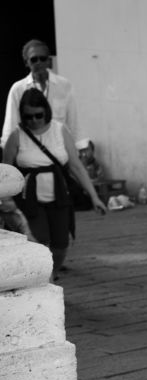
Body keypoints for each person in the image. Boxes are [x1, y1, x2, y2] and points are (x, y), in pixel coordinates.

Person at [2, 88, 106, 279]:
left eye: (38, 115)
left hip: (58, 195)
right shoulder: (16, 136)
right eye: (28, 116)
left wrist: (94, 197)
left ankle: (53, 272)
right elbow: (5, 171)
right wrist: (6, 201)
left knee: (61, 244)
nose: (34, 120)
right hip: (29, 198)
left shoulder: (60, 130)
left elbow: (76, 166)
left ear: (46, 111)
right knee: (39, 242)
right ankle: (45, 280)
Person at [1, 39, 85, 149]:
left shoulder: (64, 85)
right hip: (29, 153)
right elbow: (10, 126)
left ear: (49, 61)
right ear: (27, 62)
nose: (38, 62)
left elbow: (74, 122)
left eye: (42, 58)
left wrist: (81, 147)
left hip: (60, 152)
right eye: (34, 59)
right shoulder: (18, 89)